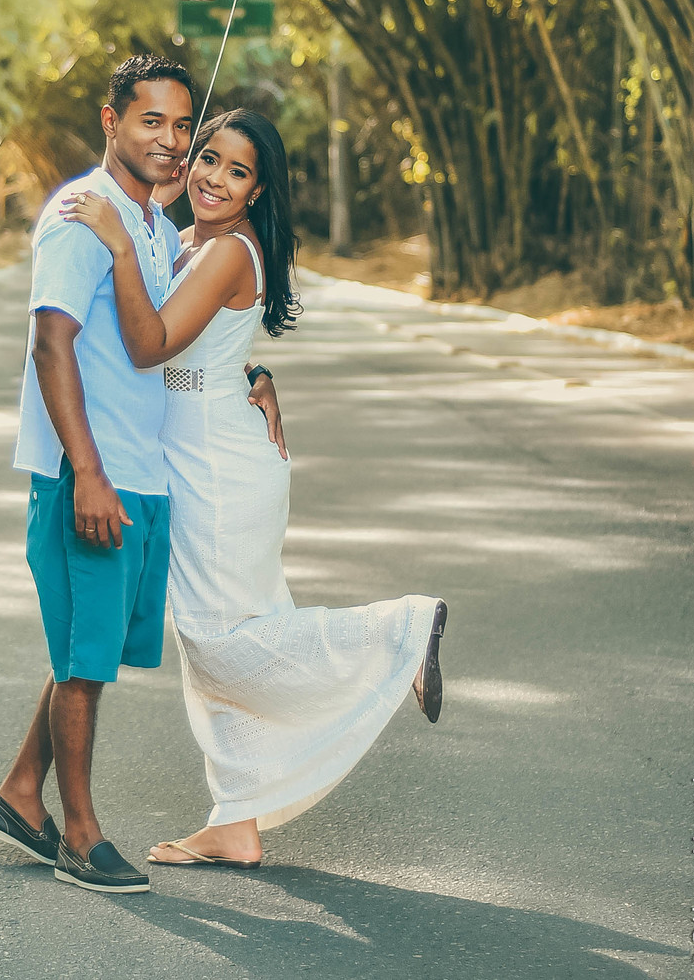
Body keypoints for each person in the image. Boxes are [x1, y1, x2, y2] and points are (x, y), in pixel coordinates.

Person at [61, 106, 447, 869]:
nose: (214, 176)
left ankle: (399, 632)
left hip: (218, 467)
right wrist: (255, 373)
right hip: (210, 452)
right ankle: (237, 819)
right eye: (208, 158)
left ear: (257, 189)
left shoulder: (229, 251)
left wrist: (116, 238)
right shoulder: (192, 239)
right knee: (219, 633)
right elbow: (208, 353)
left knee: (215, 636)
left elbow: (152, 343)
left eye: (237, 170)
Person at [0, 60, 284, 894]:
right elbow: (53, 342)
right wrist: (86, 472)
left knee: (95, 642)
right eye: (153, 122)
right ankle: (80, 834)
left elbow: (183, 325)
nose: (174, 142)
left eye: (185, 126)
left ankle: (17, 792)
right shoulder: (85, 215)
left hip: (143, 473)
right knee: (85, 660)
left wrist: (247, 372)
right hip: (95, 472)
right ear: (110, 120)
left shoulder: (153, 221)